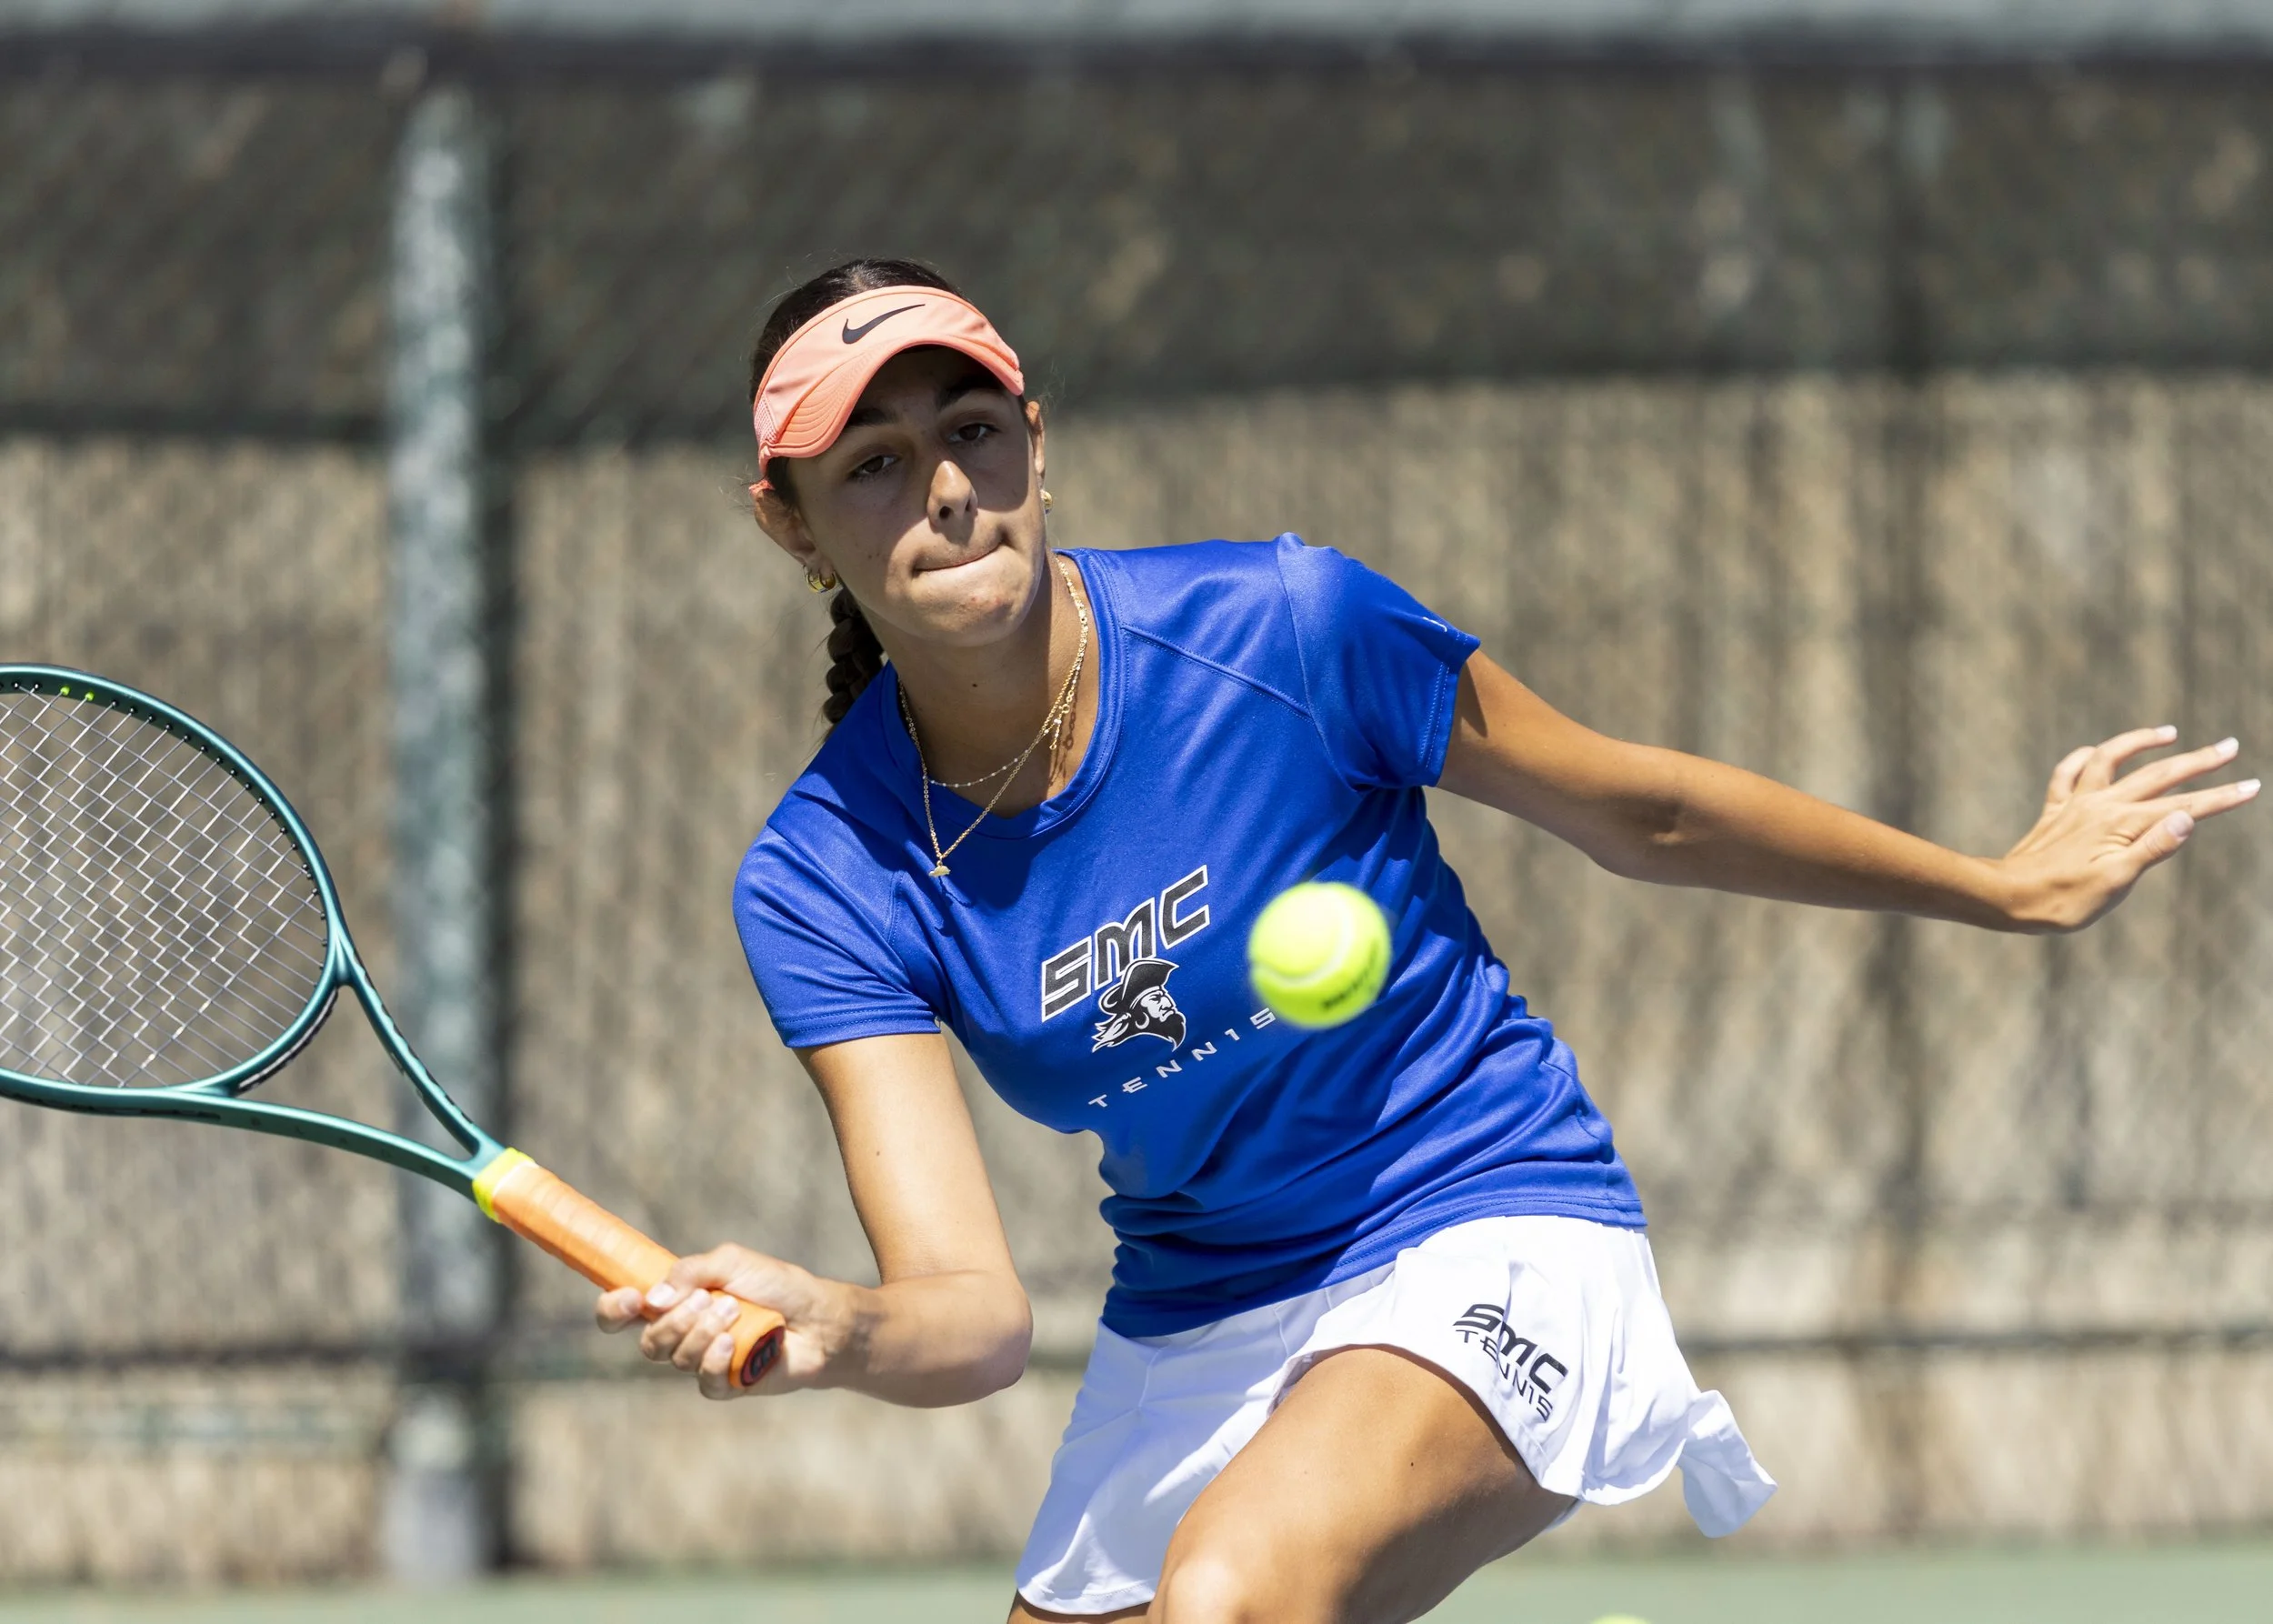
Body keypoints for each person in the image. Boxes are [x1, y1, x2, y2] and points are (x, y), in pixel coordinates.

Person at [596, 257, 2257, 1622]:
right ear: (793, 526)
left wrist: (2000, 882)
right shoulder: (825, 876)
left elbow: (1644, 811)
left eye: (973, 427)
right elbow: (970, 1314)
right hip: (1205, 1304)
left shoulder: (1293, 630)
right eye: (871, 463)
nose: (947, 488)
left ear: (1040, 436)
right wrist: (834, 1322)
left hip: (1488, 1214)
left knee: (1237, 1595)